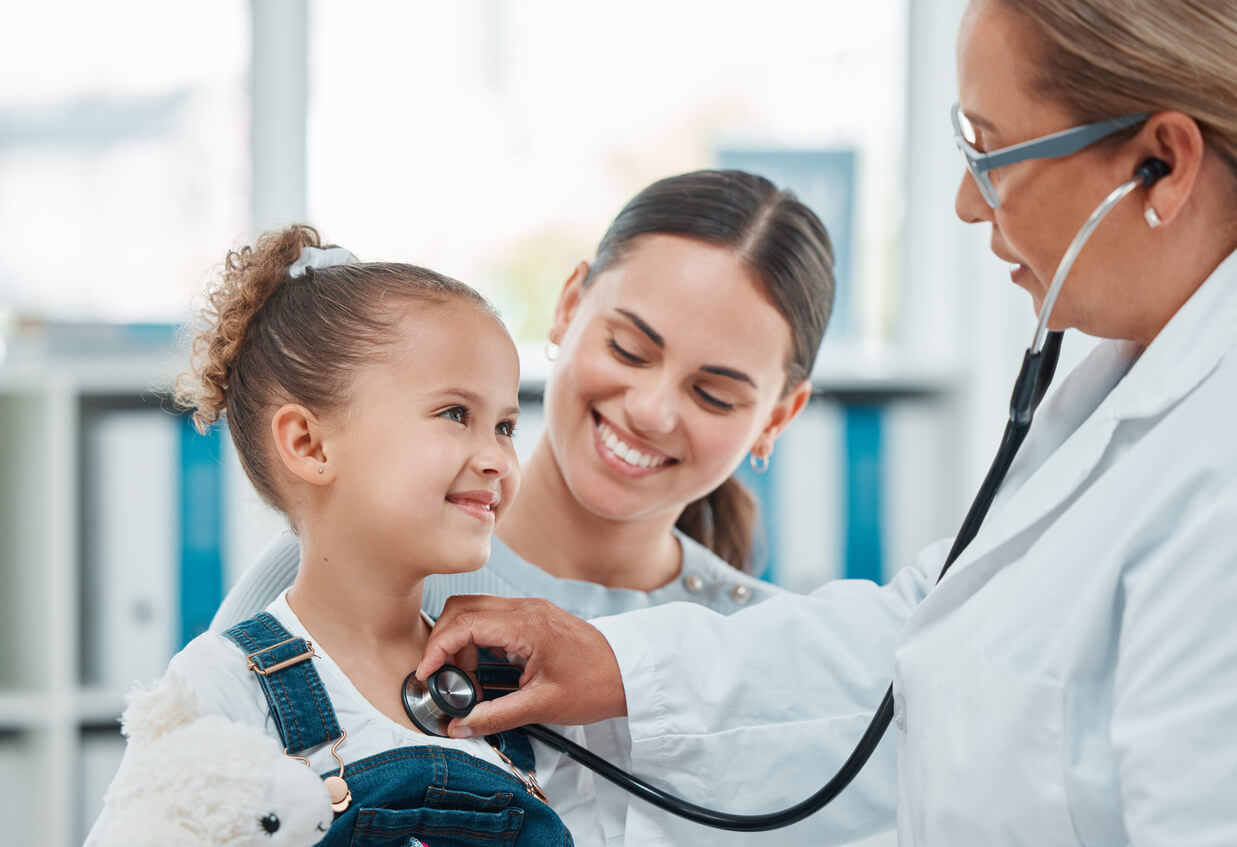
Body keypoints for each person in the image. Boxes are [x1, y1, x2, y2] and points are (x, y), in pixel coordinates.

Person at [416, 1, 1237, 844]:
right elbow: (911, 639)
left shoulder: (1214, 470)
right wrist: (614, 663)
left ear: (1162, 164)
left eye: (992, 154)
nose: (965, 201)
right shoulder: (1120, 399)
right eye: (630, 347)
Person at [86, 226, 594, 846]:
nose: (497, 459)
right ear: (310, 444)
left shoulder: (513, 687)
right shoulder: (221, 686)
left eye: (506, 427)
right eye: (455, 414)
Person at [210, 169, 835, 634]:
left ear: (777, 418)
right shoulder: (354, 565)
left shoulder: (764, 648)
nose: (650, 411)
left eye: (713, 395)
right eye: (628, 349)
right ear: (568, 306)